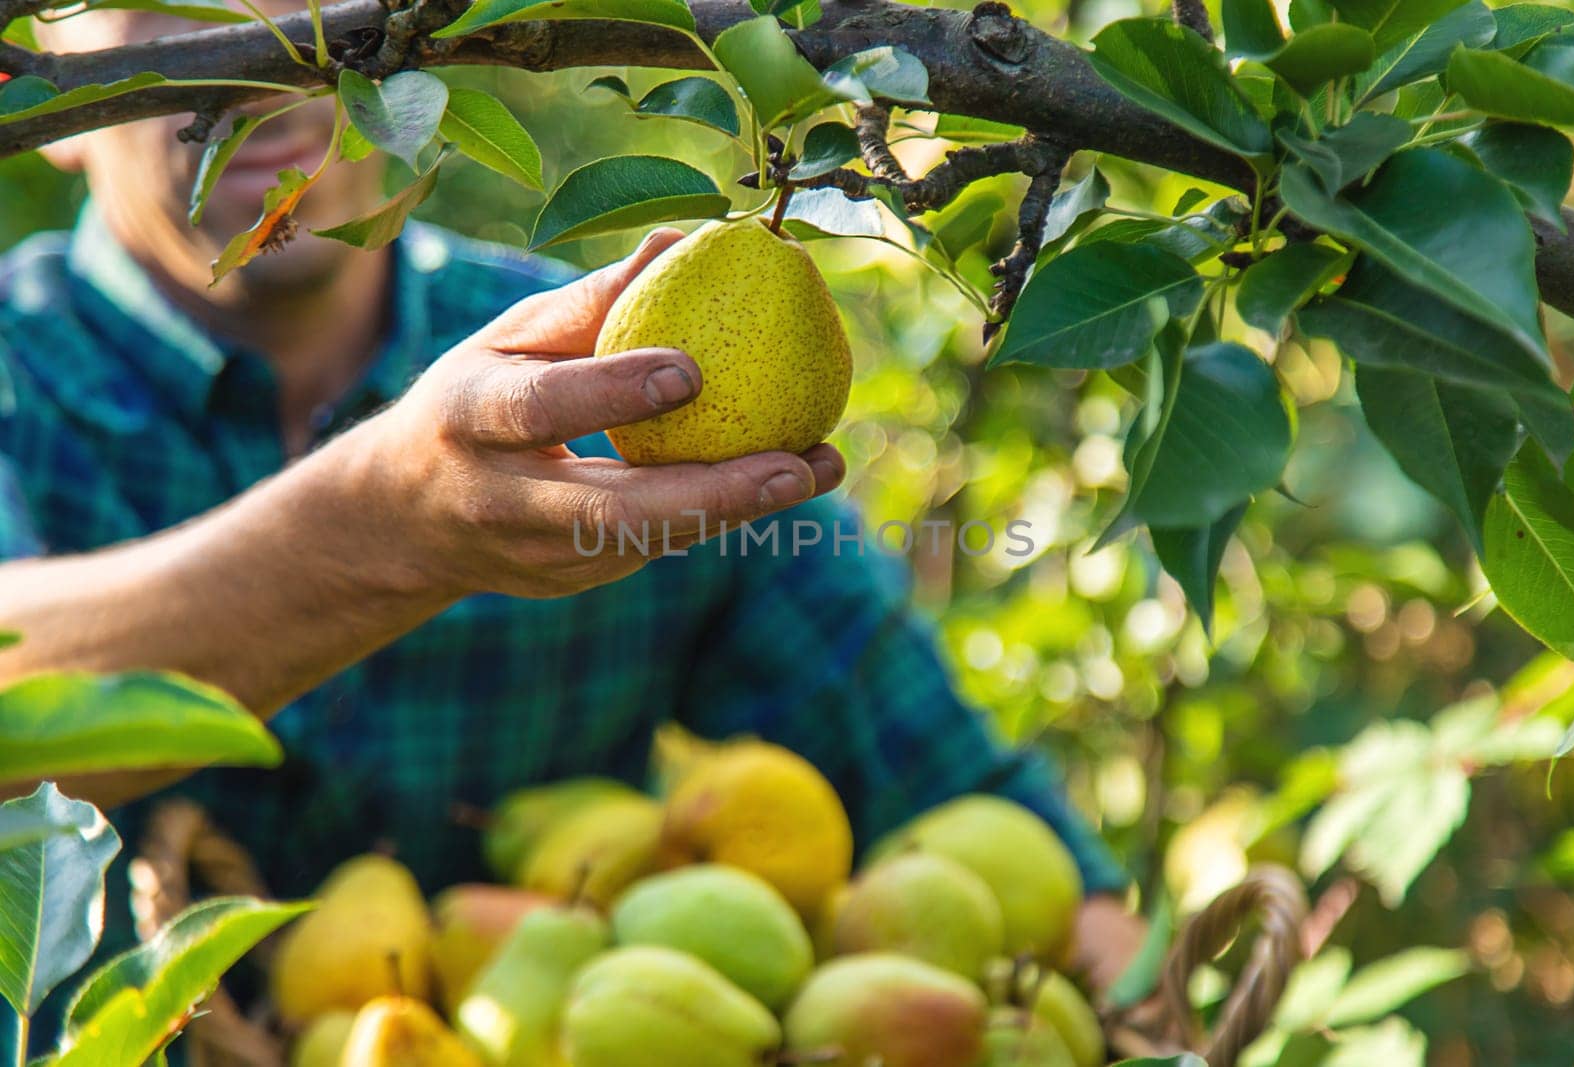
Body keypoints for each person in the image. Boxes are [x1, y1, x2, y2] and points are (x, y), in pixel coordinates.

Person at [0, 2, 1144, 1055]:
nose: (254, 38)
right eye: (172, 1)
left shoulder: (600, 378)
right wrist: (385, 524)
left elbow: (946, 789)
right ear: (50, 88)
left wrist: (1147, 1011)